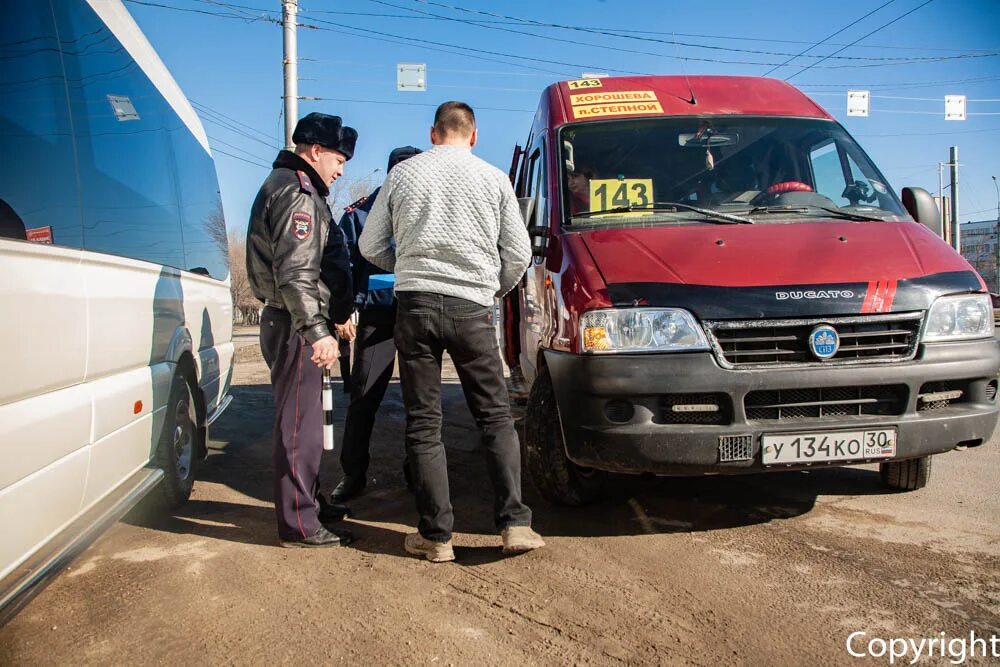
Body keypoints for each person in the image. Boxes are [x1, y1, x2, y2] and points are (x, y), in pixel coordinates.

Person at [359, 101, 545, 563]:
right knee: (495, 416)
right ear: (474, 136)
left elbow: (369, 245)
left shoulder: (403, 175)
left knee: (424, 422)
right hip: (473, 307)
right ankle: (515, 525)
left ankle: (436, 537)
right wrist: (491, 289)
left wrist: (407, 268)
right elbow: (518, 253)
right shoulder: (494, 178)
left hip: (415, 306)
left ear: (433, 133)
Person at [246, 112, 357, 548]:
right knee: (299, 427)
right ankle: (299, 522)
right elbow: (295, 274)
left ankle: (307, 502)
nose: (341, 168)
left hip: (293, 320)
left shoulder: (290, 185)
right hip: (296, 323)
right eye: (338, 158)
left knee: (309, 424)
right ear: (315, 151)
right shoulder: (297, 193)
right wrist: (317, 331)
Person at [331, 146, 422, 504]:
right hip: (378, 316)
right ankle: (353, 474)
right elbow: (343, 266)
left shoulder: (428, 207)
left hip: (418, 313)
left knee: (422, 401)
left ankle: (418, 471)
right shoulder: (361, 214)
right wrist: (343, 313)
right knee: (364, 396)